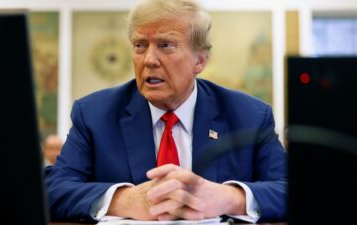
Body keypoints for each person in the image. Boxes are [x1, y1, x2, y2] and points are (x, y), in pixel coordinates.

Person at [45, 0, 287, 223]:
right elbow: (53, 189)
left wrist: (228, 197)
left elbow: (291, 189)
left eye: (166, 45)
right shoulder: (95, 115)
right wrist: (124, 200)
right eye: (140, 45)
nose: (149, 59)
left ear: (200, 61)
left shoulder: (249, 117)